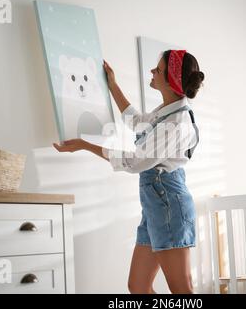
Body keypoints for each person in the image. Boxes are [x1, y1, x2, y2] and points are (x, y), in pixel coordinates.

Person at [53, 50, 204, 294]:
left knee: (182, 291)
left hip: (169, 206)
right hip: (155, 208)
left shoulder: (176, 124)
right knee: (138, 286)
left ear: (171, 80)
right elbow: (137, 122)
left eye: (158, 69)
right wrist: (112, 85)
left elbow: (136, 162)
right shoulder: (165, 112)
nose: (152, 72)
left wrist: (85, 145)